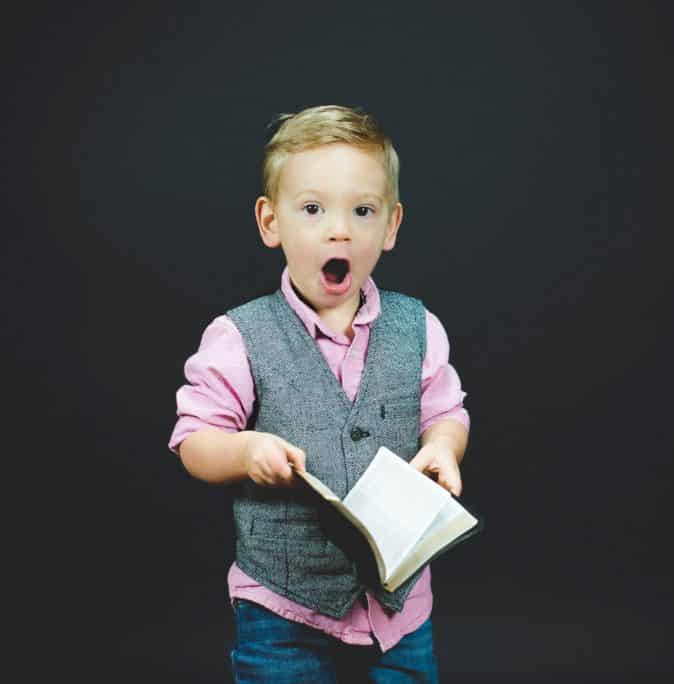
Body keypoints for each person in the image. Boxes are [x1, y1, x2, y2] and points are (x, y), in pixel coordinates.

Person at [168, 104, 470, 683]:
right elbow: (193, 440)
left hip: (398, 609)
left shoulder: (419, 327)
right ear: (270, 222)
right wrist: (243, 451)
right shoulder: (239, 336)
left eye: (363, 211)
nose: (340, 229)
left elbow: (446, 410)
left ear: (391, 226)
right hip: (282, 605)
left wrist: (444, 446)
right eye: (312, 209)